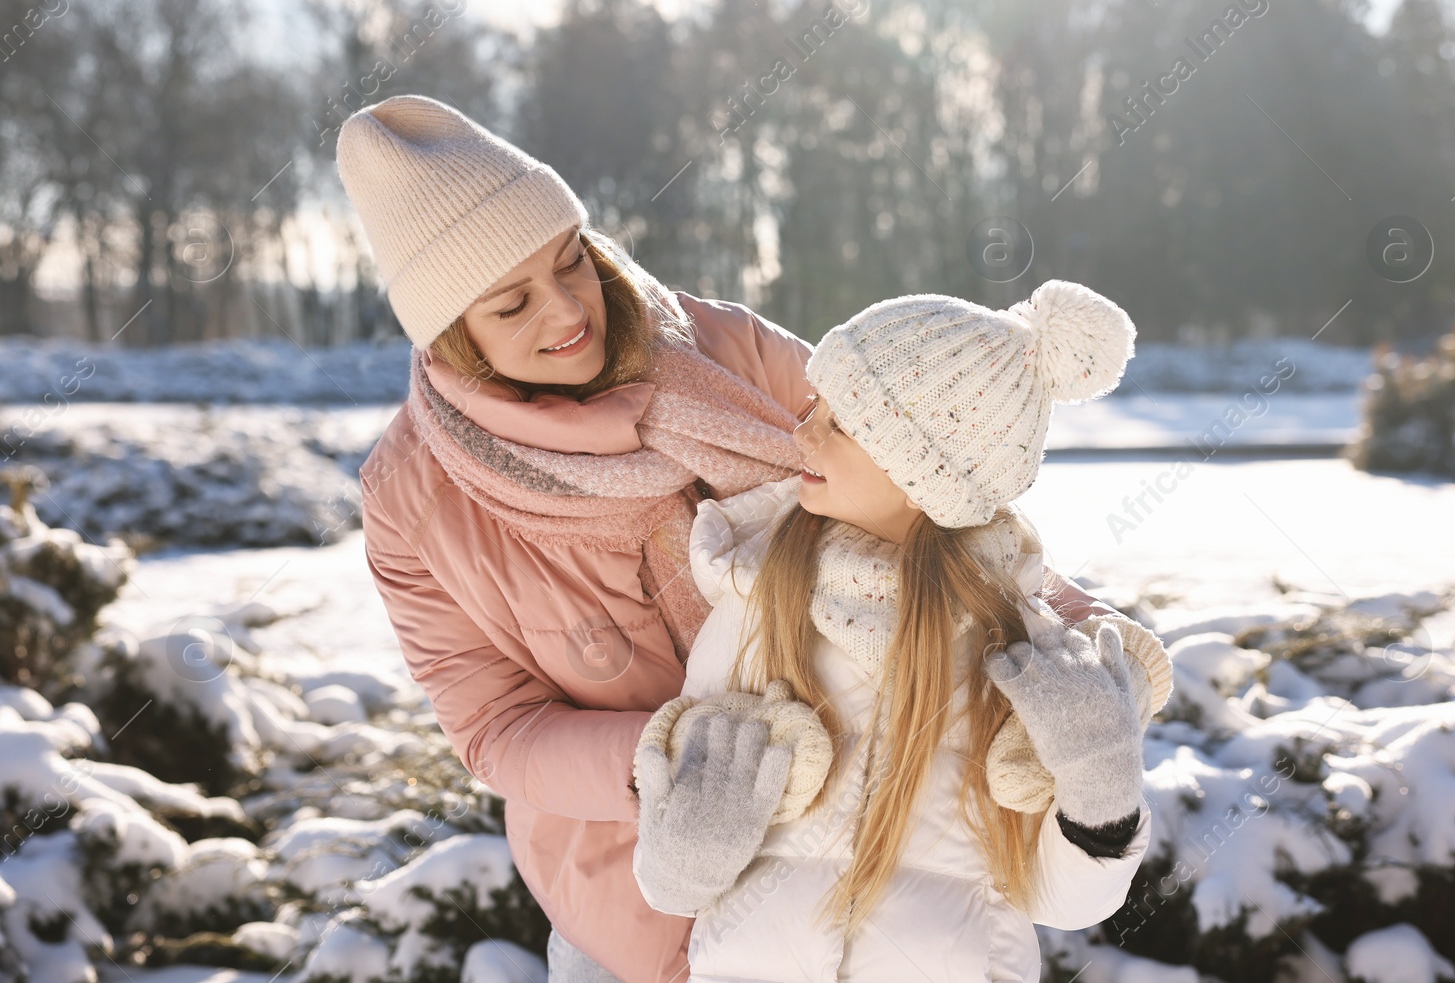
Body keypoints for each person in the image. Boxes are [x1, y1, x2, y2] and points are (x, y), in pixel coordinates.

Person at [337, 93, 1131, 983]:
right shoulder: (414, 502)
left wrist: (1081, 643)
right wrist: (680, 763)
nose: (568, 313)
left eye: (573, 262)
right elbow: (494, 727)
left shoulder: (721, 349)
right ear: (451, 335)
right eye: (512, 304)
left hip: (878, 877)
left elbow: (926, 466)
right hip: (632, 891)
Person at [631, 280, 1175, 982]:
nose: (802, 433)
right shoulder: (754, 608)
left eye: (842, 422)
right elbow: (670, 882)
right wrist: (684, 857)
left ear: (927, 473)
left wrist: (1103, 794)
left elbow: (1063, 901)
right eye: (813, 406)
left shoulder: (1022, 658)